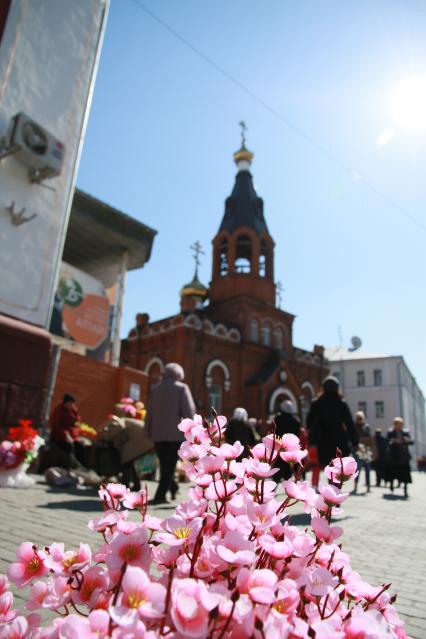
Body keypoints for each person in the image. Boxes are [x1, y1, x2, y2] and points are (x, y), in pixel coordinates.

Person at [145, 363, 196, 504]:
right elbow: (189, 412)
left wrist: (147, 430)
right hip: (175, 435)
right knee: (170, 465)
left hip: (157, 435)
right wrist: (192, 431)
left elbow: (149, 412)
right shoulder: (181, 388)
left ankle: (172, 487)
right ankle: (160, 496)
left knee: (165, 465)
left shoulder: (155, 389)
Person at [306, 376, 358, 470]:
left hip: (323, 442)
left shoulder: (316, 404)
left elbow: (308, 423)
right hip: (340, 443)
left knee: (329, 470)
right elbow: (350, 425)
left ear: (323, 388)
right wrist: (355, 442)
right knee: (338, 472)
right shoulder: (341, 404)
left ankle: (331, 484)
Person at [101, 415, 154, 490]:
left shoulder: (116, 423)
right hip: (146, 440)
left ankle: (126, 486)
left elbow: (110, 435)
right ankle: (135, 486)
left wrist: (106, 438)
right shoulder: (125, 421)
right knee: (130, 463)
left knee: (127, 463)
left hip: (139, 440)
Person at [49, 393, 82, 467]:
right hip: (59, 437)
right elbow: (56, 425)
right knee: (68, 446)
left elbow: (77, 422)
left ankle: (78, 467)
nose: (71, 405)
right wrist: (65, 434)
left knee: (80, 446)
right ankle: (67, 466)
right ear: (65, 402)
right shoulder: (58, 410)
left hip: (72, 436)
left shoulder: (73, 410)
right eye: (69, 403)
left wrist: (75, 435)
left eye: (72, 403)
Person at [385, 417, 413, 498]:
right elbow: (387, 440)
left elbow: (411, 441)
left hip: (403, 457)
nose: (399, 426)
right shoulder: (391, 432)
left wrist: (405, 440)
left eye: (401, 424)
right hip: (393, 456)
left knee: (405, 474)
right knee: (392, 472)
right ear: (395, 424)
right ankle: (391, 484)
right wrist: (394, 440)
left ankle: (405, 489)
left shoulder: (405, 432)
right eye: (397, 424)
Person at [273, 399, 301, 481]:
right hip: (291, 448)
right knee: (288, 466)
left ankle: (275, 483)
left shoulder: (277, 419)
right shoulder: (295, 420)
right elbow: (297, 434)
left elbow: (273, 431)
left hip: (279, 446)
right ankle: (287, 482)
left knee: (278, 464)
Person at [352, 411, 377, 494]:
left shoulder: (366, 426)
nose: (360, 420)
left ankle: (368, 486)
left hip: (366, 449)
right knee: (357, 468)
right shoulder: (353, 427)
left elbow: (370, 436)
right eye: (358, 418)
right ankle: (355, 486)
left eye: (361, 418)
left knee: (367, 468)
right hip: (357, 449)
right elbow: (352, 438)